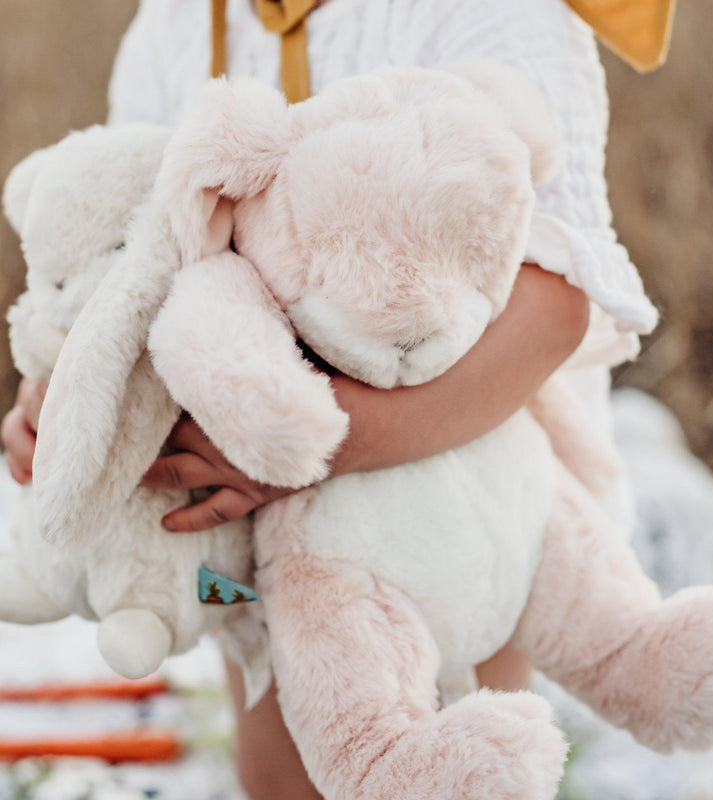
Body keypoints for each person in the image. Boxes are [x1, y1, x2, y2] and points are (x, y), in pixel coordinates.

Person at [1, 0, 660, 797]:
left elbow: (555, 304)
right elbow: (123, 255)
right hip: (251, 527)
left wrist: (308, 443)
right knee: (283, 773)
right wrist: (69, 391)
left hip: (459, 486)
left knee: (458, 756)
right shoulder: (177, 25)